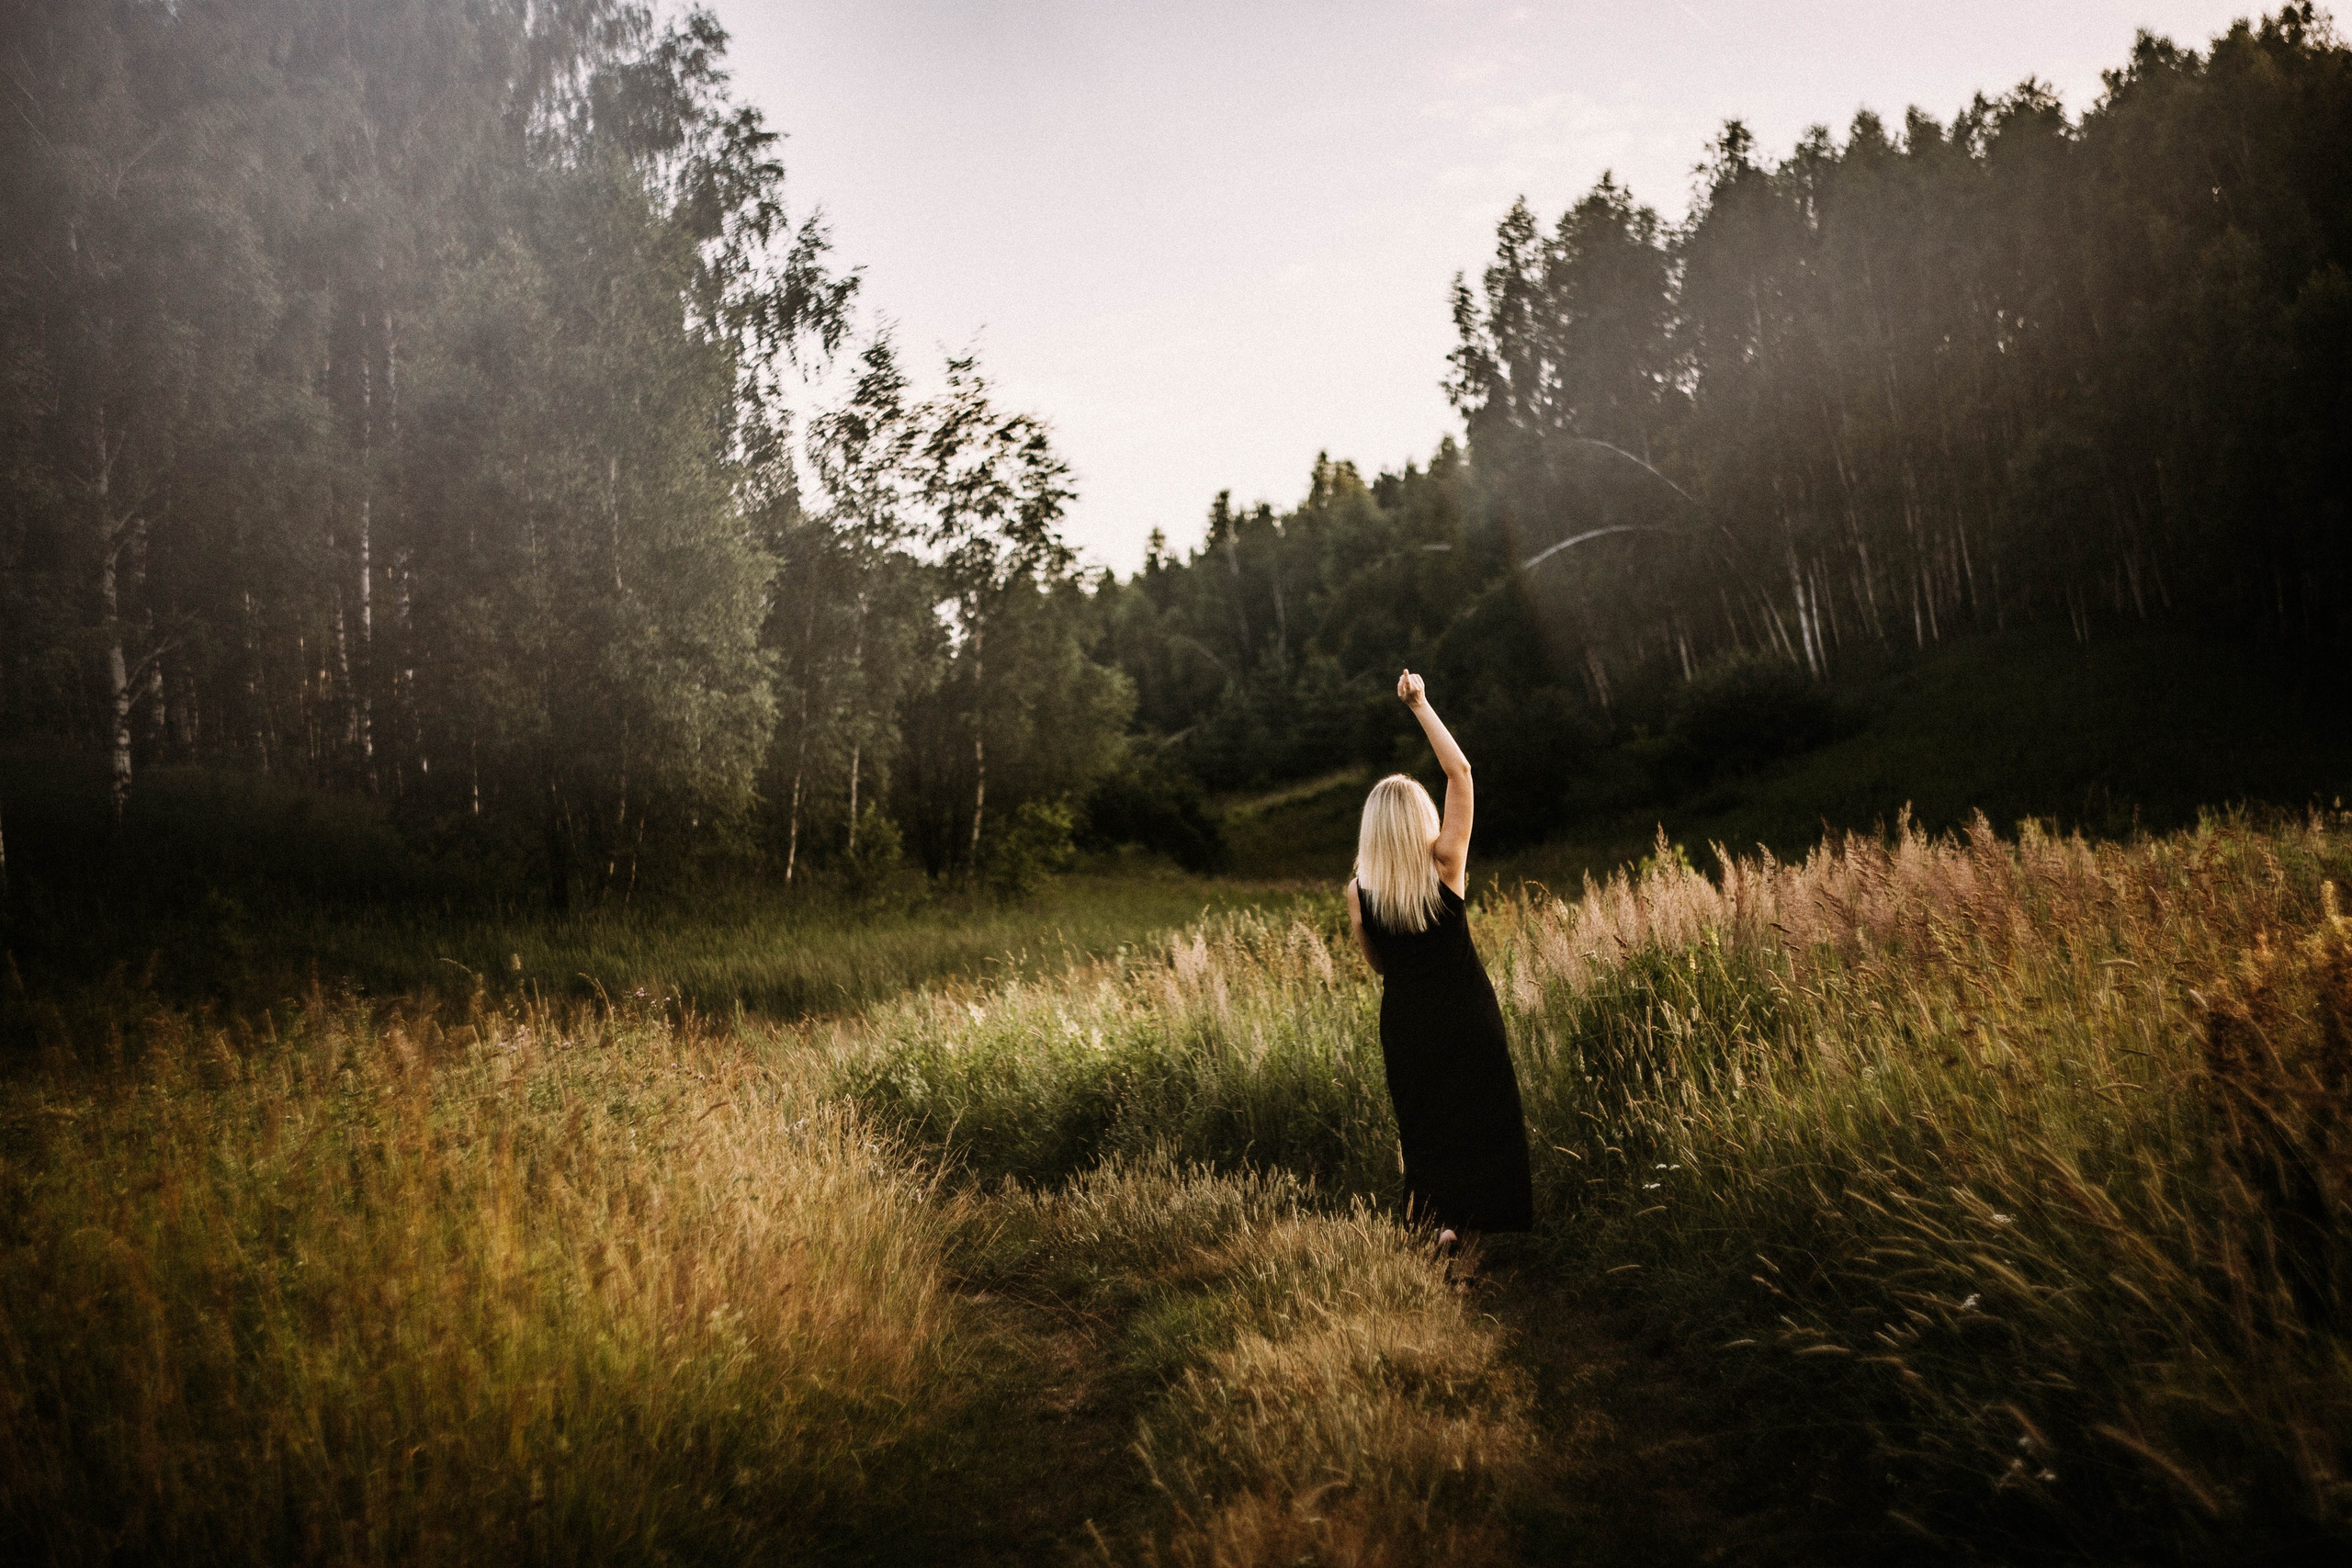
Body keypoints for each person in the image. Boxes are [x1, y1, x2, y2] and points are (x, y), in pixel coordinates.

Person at [1346, 670, 1534, 1278]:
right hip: (1468, 1014)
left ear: (1373, 829)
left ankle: (1444, 1224)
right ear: (1420, 819)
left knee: (1425, 1123)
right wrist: (1421, 705)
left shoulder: (1360, 892)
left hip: (1407, 1020)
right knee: (1480, 1113)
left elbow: (1377, 962)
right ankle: (1477, 1224)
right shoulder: (1447, 862)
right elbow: (1461, 773)